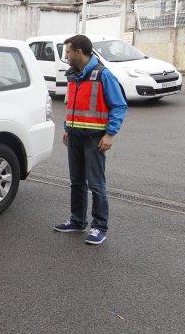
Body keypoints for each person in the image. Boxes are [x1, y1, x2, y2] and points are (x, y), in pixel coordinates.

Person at [53, 35, 128, 245]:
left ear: (79, 52)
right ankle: (77, 221)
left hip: (95, 138)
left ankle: (99, 227)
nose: (65, 55)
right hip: (75, 136)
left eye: (68, 51)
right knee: (76, 182)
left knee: (96, 184)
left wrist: (110, 134)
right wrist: (68, 128)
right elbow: (73, 106)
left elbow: (119, 105)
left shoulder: (103, 75)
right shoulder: (74, 75)